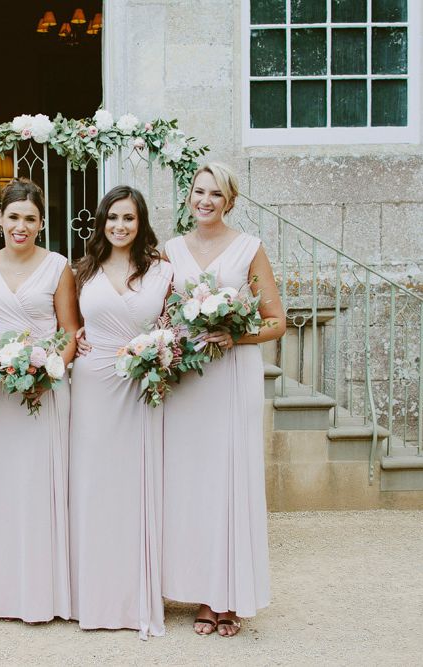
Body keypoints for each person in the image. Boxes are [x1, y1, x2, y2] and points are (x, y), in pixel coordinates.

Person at [161, 162, 285, 637]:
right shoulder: (172, 250)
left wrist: (238, 336)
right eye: (198, 191)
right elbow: (158, 310)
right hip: (189, 380)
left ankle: (227, 597)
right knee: (191, 484)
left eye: (215, 193)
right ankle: (197, 591)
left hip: (231, 375)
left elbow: (276, 321)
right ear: (189, 197)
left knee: (229, 481)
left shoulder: (249, 248)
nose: (205, 200)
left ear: (229, 201)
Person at [0, 178, 79, 622]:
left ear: (41, 223)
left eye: (30, 219)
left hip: (43, 388)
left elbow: (70, 331)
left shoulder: (58, 266)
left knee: (40, 485)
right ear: (0, 218)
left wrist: (49, 371)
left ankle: (43, 591)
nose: (21, 226)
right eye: (13, 217)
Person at [69, 185, 171, 640]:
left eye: (128, 218)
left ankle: (134, 597)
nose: (120, 226)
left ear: (140, 221)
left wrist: (160, 350)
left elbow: (174, 326)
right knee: (93, 486)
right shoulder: (83, 270)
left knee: (136, 487)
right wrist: (75, 341)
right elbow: (66, 326)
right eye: (112, 217)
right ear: (101, 222)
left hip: (140, 385)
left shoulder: (163, 271)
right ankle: (91, 596)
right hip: (92, 384)